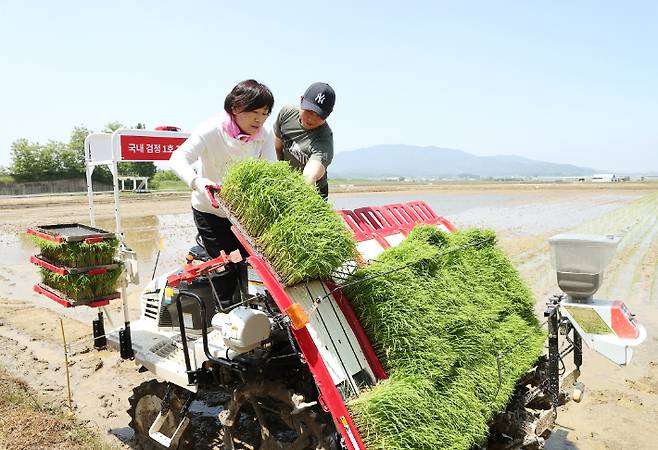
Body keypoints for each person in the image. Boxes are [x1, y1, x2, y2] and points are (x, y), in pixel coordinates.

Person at [169, 79, 275, 304]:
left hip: (243, 216)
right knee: (224, 268)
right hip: (210, 212)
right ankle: (228, 315)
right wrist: (198, 182)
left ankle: (254, 315)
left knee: (249, 265)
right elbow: (178, 158)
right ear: (235, 108)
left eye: (265, 113)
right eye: (253, 112)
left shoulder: (264, 136)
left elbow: (270, 172)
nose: (260, 119)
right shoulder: (211, 130)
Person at [273, 82, 336, 199]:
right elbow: (277, 147)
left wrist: (293, 195)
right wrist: (280, 175)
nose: (311, 118)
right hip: (286, 179)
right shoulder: (287, 113)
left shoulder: (324, 140)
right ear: (301, 100)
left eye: (319, 115)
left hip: (313, 192)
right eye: (309, 111)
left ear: (328, 115)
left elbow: (309, 177)